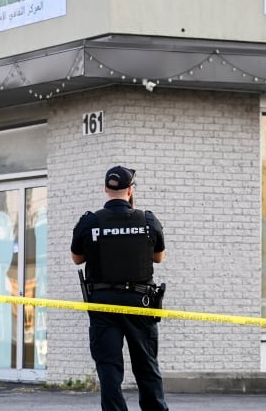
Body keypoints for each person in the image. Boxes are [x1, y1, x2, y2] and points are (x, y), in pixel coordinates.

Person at [71, 165, 168, 411]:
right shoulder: (147, 220)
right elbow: (159, 258)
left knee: (109, 369)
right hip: (140, 304)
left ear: (106, 189)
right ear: (130, 190)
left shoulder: (90, 221)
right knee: (146, 367)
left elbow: (76, 258)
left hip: (103, 303)